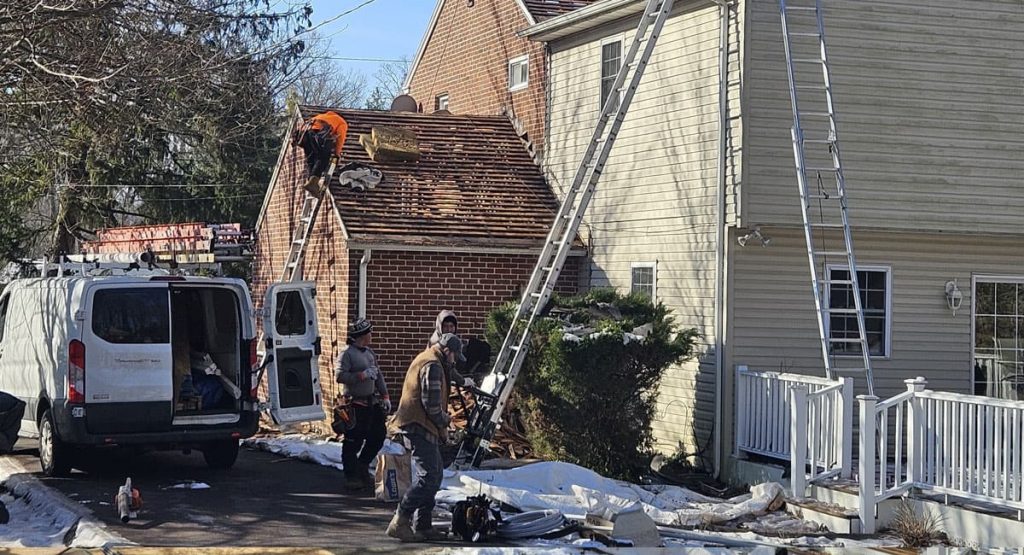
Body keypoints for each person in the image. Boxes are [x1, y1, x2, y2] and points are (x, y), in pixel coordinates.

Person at [386, 333, 466, 542]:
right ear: (447, 351)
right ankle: (400, 520)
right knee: (429, 477)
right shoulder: (433, 366)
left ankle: (423, 526)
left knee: (435, 475)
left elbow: (452, 372)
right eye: (455, 355)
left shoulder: (431, 358)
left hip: (421, 425)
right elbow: (431, 405)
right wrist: (445, 421)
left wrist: (465, 381)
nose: (455, 360)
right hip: (418, 427)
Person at [335, 318, 391, 492]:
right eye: (368, 333)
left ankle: (363, 464)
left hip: (371, 402)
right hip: (355, 403)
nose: (370, 336)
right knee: (353, 440)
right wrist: (361, 375)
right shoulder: (347, 354)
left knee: (378, 435)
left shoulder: (369, 353)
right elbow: (340, 376)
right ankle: (351, 476)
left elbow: (378, 375)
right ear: (360, 336)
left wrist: (385, 395)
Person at [294, 110, 349, 195]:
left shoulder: (322, 116)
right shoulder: (342, 122)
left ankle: (311, 182)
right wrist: (337, 154)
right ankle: (313, 183)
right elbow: (340, 138)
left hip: (304, 134)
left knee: (311, 160)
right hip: (318, 133)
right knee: (323, 158)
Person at [427, 310, 475, 389]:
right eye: (445, 326)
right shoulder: (437, 343)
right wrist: (463, 381)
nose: (449, 329)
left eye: (451, 326)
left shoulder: (453, 341)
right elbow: (448, 368)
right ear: (440, 327)